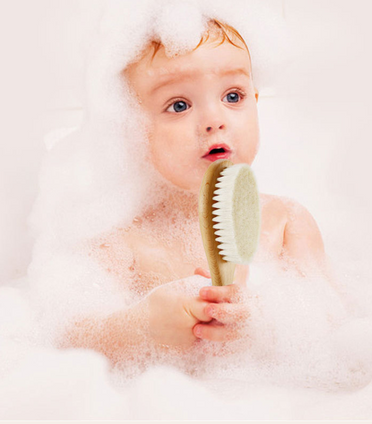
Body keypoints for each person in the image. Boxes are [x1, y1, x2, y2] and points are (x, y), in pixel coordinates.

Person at [58, 18, 335, 366]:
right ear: (132, 130)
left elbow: (332, 326)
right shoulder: (125, 242)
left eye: (233, 96)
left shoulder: (287, 223)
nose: (214, 119)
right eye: (179, 105)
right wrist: (143, 326)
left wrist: (267, 319)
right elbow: (73, 338)